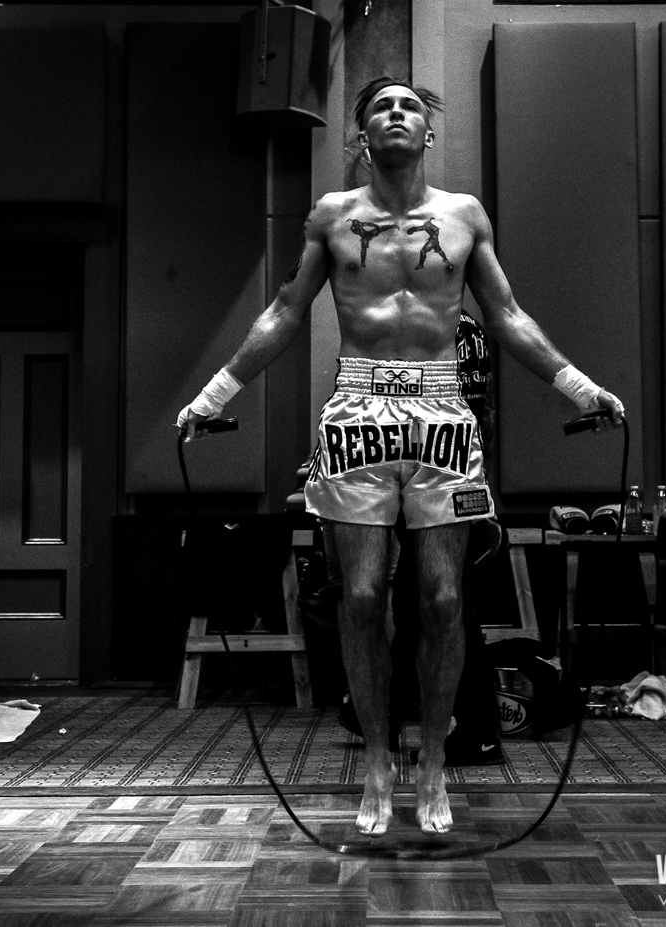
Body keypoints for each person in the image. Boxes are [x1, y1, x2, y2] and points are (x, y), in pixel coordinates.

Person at [178, 76, 624, 837]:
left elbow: (506, 314)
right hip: (358, 407)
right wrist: (216, 391)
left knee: (446, 599)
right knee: (359, 597)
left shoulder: (462, 216)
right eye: (380, 106)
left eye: (409, 107)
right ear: (359, 137)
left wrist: (577, 385)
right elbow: (286, 309)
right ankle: (380, 758)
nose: (395, 113)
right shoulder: (331, 217)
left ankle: (433, 764)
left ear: (425, 133)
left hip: (440, 409)